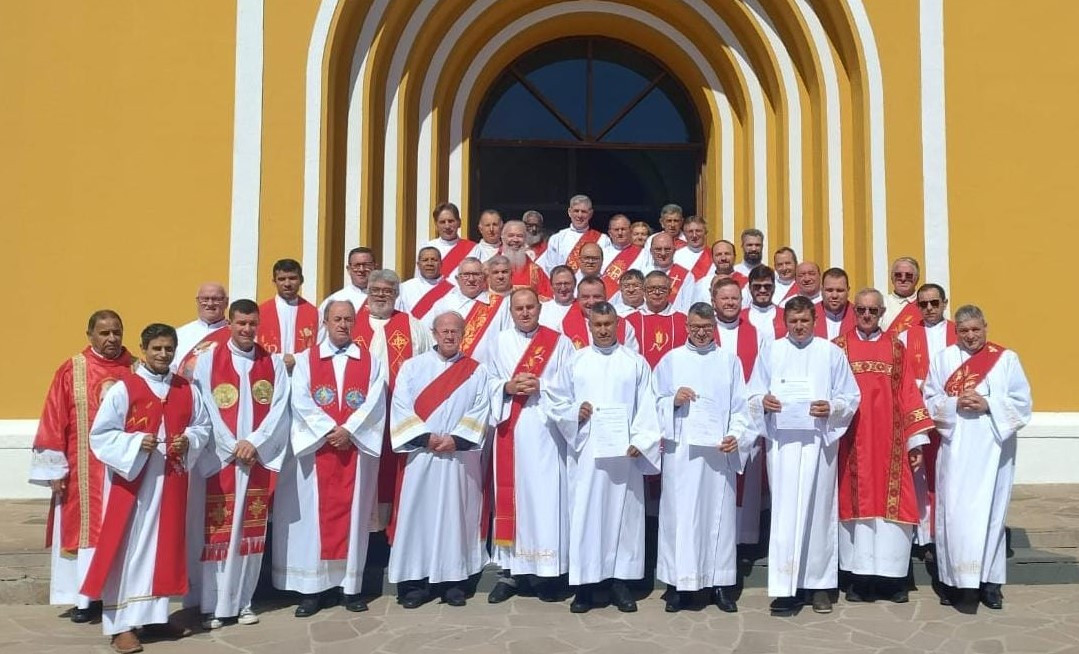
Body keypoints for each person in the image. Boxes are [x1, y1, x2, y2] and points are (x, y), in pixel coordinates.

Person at [82, 323, 212, 654]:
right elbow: (100, 435)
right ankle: (120, 625)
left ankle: (154, 617)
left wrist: (189, 440)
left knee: (163, 547)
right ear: (143, 349)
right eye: (156, 348)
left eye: (169, 348)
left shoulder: (186, 388)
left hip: (169, 481)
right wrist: (137, 441)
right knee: (130, 550)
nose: (163, 354)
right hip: (133, 484)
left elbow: (202, 425)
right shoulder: (125, 388)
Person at [272, 300, 388, 617]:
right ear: (325, 321)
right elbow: (301, 398)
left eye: (348, 319)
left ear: (355, 322)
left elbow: (377, 400)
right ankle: (313, 590)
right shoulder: (308, 359)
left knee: (352, 521)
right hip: (317, 453)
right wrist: (328, 431)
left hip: (354, 451)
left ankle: (349, 588)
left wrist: (348, 431)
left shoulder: (370, 360)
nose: (342, 324)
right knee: (312, 522)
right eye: (337, 318)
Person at [747, 296, 860, 615]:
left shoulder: (830, 353)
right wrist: (763, 402)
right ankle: (786, 587)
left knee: (819, 512)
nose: (798, 327)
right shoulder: (772, 350)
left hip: (818, 444)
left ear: (815, 320)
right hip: (782, 445)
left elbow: (850, 395)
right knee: (785, 513)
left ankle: (820, 585)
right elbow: (752, 392)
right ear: (785, 322)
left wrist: (833, 408)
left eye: (804, 321)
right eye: (793, 321)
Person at [188, 299, 291, 629]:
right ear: (229, 323)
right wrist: (232, 445)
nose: (247, 329)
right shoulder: (208, 361)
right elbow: (205, 408)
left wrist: (255, 443)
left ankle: (244, 602)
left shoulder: (271, 363)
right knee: (217, 536)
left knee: (250, 535)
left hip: (255, 460)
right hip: (222, 461)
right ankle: (211, 604)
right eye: (241, 323)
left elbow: (279, 409)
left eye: (252, 324)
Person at [30, 310, 136, 624]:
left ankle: (116, 594)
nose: (112, 339)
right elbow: (54, 417)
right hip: (81, 471)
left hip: (123, 470)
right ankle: (83, 598)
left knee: (121, 531)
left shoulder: (135, 368)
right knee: (83, 531)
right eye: (104, 333)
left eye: (117, 332)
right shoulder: (72, 369)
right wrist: (53, 471)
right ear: (89, 334)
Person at [924, 305, 1032, 610]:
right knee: (954, 515)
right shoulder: (944, 359)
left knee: (991, 514)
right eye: (964, 331)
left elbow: (1022, 402)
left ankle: (990, 583)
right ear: (956, 331)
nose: (971, 336)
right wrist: (954, 404)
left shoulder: (1006, 359)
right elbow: (930, 398)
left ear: (985, 326)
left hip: (993, 449)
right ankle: (952, 582)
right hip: (956, 446)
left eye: (976, 329)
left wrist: (988, 404)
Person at [558, 301, 662, 613]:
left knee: (624, 517)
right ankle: (586, 586)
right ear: (589, 325)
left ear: (617, 325)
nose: (603, 330)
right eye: (597, 325)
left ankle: (620, 582)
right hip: (588, 455)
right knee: (587, 516)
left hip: (623, 454)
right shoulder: (576, 362)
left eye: (608, 324)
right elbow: (559, 401)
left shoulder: (634, 362)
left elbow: (649, 403)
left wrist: (641, 440)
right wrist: (576, 412)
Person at [654, 302, 755, 613]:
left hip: (717, 455)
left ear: (715, 328)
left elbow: (742, 407)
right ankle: (676, 585)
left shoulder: (729, 362)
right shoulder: (671, 360)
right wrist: (672, 401)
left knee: (718, 519)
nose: (701, 333)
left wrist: (735, 437)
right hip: (682, 454)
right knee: (679, 517)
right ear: (686, 326)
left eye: (707, 328)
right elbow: (651, 402)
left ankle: (720, 584)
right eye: (696, 327)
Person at [834, 289, 934, 603]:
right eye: (861, 310)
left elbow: (908, 393)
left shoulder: (896, 347)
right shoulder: (839, 348)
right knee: (857, 506)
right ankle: (859, 579)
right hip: (851, 441)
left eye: (873, 311)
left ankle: (893, 581)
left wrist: (915, 440)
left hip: (891, 441)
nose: (866, 316)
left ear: (881, 313)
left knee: (892, 505)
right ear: (855, 312)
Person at [387, 311, 492, 608]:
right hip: (422, 456)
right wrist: (426, 438)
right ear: (434, 333)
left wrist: (455, 440)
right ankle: (414, 584)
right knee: (418, 517)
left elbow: (481, 408)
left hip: (459, 458)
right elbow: (401, 406)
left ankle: (453, 582)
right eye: (444, 331)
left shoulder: (476, 371)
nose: (449, 336)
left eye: (455, 331)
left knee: (455, 517)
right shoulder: (412, 367)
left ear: (463, 334)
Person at [485, 289, 577, 603]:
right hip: (512, 429)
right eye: (519, 308)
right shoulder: (498, 342)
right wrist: (507, 386)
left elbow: (570, 384)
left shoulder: (560, 342)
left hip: (548, 432)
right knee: (515, 499)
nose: (525, 313)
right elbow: (486, 382)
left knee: (548, 499)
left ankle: (549, 573)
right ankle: (512, 574)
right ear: (511, 311)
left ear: (540, 308)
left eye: (530, 307)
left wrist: (544, 386)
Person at [351, 270, 434, 529]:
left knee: (393, 475)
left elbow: (427, 367)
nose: (381, 296)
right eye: (376, 290)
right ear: (367, 292)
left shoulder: (413, 326)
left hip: (398, 415)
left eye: (387, 291)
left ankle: (389, 535)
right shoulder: (350, 323)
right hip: (358, 417)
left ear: (397, 294)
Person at [712, 277, 772, 548]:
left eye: (734, 298)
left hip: (745, 420)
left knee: (745, 487)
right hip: (711, 419)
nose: (729, 303)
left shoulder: (756, 334)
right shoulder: (704, 330)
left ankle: (740, 546)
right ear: (714, 301)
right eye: (724, 298)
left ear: (742, 301)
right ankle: (716, 543)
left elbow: (762, 376)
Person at [899, 283, 957, 548]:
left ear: (945, 303)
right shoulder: (906, 336)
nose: (930, 308)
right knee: (920, 473)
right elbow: (900, 376)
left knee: (949, 473)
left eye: (935, 303)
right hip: (920, 413)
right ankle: (924, 534)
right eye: (924, 304)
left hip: (953, 415)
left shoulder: (960, 332)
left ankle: (947, 531)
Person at [427, 257, 509, 364]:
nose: (471, 279)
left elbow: (508, 341)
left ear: (484, 278)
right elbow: (433, 340)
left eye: (476, 274)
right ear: (457, 279)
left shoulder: (501, 305)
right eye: (466, 275)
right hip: (451, 372)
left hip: (489, 373)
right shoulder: (443, 305)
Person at [256, 259, 319, 371]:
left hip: (302, 374)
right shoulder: (259, 312)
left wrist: (296, 359)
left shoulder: (315, 313)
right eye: (281, 279)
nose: (287, 284)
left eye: (292, 278)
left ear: (301, 280)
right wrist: (279, 359)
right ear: (274, 281)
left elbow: (320, 346)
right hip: (269, 373)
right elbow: (253, 345)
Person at [625, 271, 688, 368]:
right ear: (644, 291)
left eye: (662, 289)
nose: (657, 293)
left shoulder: (684, 321)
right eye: (652, 288)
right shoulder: (629, 321)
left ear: (670, 292)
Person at [560, 276, 639, 352]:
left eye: (597, 297)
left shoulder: (623, 325)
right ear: (578, 298)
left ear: (605, 297)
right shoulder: (563, 327)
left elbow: (631, 356)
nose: (591, 302)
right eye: (585, 297)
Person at [538, 194, 611, 273]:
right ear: (569, 212)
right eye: (576, 211)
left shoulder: (603, 240)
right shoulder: (557, 239)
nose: (579, 215)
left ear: (590, 214)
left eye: (584, 212)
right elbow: (550, 269)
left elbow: (605, 269)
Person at [175, 283, 229, 368]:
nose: (210, 304)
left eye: (216, 299)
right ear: (197, 301)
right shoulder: (179, 334)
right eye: (205, 299)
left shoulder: (234, 333)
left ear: (226, 302)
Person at [642, 233, 698, 312]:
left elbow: (688, 307)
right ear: (651, 251)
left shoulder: (686, 276)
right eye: (658, 249)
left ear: (674, 250)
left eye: (667, 249)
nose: (663, 253)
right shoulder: (642, 273)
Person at [425, 202, 476, 281]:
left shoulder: (473, 248)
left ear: (459, 222)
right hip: (435, 293)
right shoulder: (427, 248)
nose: (447, 226)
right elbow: (420, 280)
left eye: (451, 221)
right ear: (436, 225)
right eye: (442, 222)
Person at [319, 247, 376, 319]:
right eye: (357, 265)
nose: (361, 269)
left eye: (366, 265)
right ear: (348, 269)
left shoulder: (389, 299)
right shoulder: (335, 300)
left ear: (375, 267)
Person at [501, 219, 552, 298]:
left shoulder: (536, 272)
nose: (515, 240)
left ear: (525, 239)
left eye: (519, 236)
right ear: (503, 238)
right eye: (511, 235)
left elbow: (548, 297)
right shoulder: (490, 267)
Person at [399, 246, 453, 320]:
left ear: (441, 263)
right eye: (425, 260)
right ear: (418, 264)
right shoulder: (404, 288)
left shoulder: (453, 289)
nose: (429, 263)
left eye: (434, 260)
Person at [601, 214, 644, 297]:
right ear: (610, 233)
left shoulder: (643, 254)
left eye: (623, 229)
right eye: (616, 230)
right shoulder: (601, 253)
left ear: (630, 231)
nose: (620, 233)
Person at [742, 265, 786, 340]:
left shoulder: (786, 316)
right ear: (750, 288)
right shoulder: (740, 318)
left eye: (767, 286)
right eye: (757, 286)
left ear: (774, 287)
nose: (762, 290)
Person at [882, 257, 922, 333]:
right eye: (898, 275)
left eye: (909, 275)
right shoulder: (881, 303)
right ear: (891, 277)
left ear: (917, 278)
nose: (903, 279)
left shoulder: (926, 303)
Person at [817, 267, 855, 339]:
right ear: (821, 290)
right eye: (829, 290)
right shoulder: (809, 314)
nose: (834, 295)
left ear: (848, 291)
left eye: (840, 290)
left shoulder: (859, 316)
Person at [538, 265, 577, 330]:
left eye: (567, 283)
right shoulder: (542, 310)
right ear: (551, 286)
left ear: (574, 284)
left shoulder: (583, 308)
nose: (563, 288)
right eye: (558, 284)